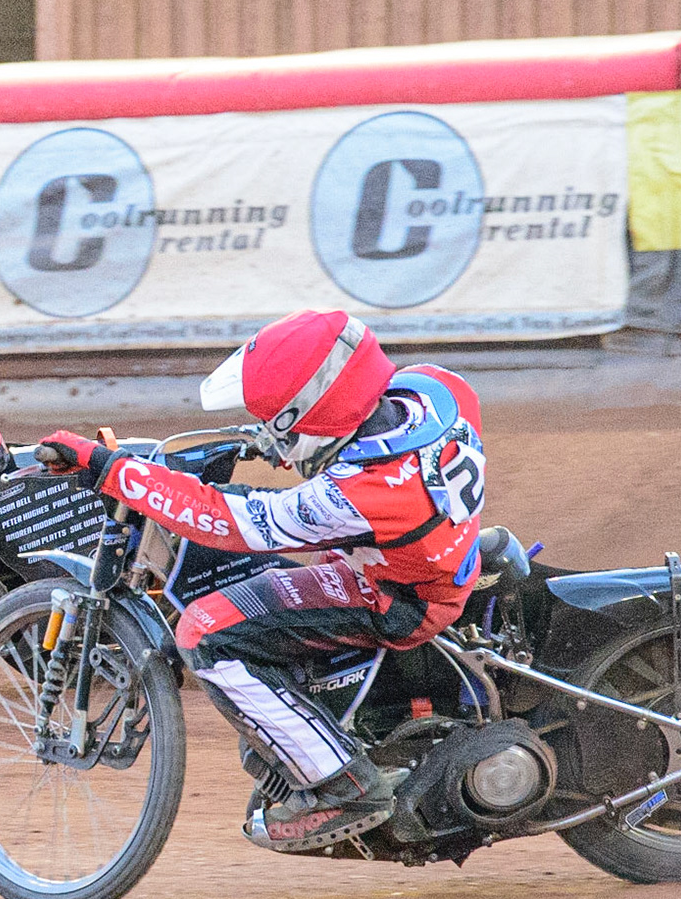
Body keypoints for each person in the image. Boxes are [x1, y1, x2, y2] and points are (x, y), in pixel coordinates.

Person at [37, 309, 487, 852]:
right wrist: (277, 442)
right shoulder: (439, 391)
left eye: (278, 420)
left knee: (206, 631)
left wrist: (107, 467)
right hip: (423, 556)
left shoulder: (359, 495)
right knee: (272, 586)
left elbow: (230, 521)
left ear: (311, 410)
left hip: (400, 600)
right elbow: (349, 430)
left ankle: (343, 787)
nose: (275, 432)